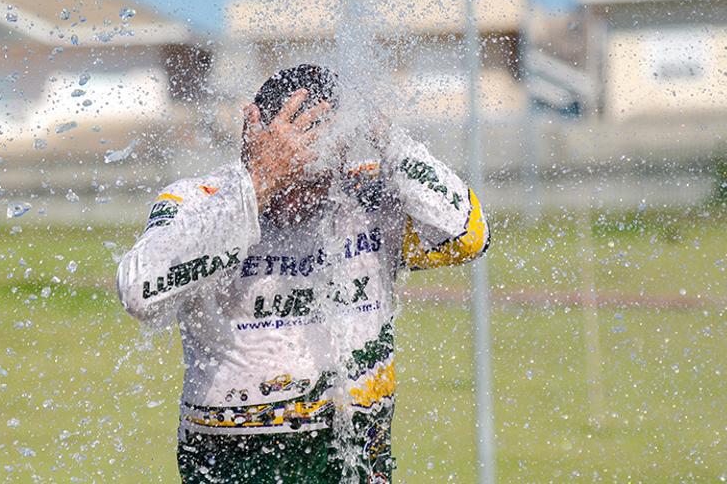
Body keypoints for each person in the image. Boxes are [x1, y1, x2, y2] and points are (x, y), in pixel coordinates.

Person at [117, 64, 489, 484]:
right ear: (252, 135)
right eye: (293, 173)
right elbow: (139, 291)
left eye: (320, 175)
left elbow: (467, 235)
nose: (304, 199)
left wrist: (386, 135)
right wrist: (260, 182)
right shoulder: (200, 199)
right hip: (234, 456)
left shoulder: (366, 198)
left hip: (356, 443)